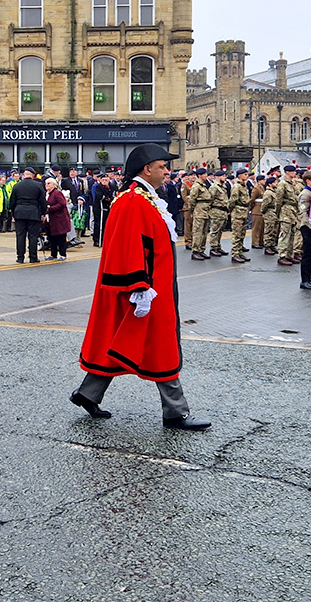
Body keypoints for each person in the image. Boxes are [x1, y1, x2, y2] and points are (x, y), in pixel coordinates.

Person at [70, 143, 211, 431]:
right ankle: (176, 412)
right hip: (146, 290)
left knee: (118, 343)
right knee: (161, 346)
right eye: (162, 166)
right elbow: (128, 246)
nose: (167, 171)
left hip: (151, 287)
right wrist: (139, 287)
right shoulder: (133, 200)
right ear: (147, 169)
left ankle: (87, 394)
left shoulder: (143, 198)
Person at [10, 167, 46, 264]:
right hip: (33, 213)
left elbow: (12, 202)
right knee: (33, 236)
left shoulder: (17, 186)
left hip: (20, 213)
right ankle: (33, 257)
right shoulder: (38, 185)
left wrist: (13, 213)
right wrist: (43, 213)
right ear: (33, 176)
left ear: (24, 175)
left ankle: (20, 257)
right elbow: (43, 201)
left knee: (20, 236)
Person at [187, 168, 213, 260]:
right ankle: (195, 251)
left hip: (205, 211)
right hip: (199, 211)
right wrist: (192, 211)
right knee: (198, 232)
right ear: (200, 175)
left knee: (204, 232)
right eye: (205, 174)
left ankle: (201, 250)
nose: (206, 176)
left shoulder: (203, 185)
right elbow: (192, 200)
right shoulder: (196, 186)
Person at [44, 177, 71, 261]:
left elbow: (62, 204)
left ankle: (63, 254)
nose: (46, 185)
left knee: (61, 238)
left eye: (49, 183)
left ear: (54, 185)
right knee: (52, 238)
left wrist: (50, 209)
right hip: (51, 220)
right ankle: (53, 254)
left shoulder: (57, 193)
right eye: (46, 183)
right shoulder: (48, 194)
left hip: (59, 219)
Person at [204, 169, 230, 258]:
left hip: (223, 211)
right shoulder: (214, 187)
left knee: (220, 230)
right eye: (223, 176)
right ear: (218, 177)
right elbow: (210, 199)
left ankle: (218, 246)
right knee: (215, 230)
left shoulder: (223, 186)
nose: (225, 177)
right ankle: (213, 248)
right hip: (216, 211)